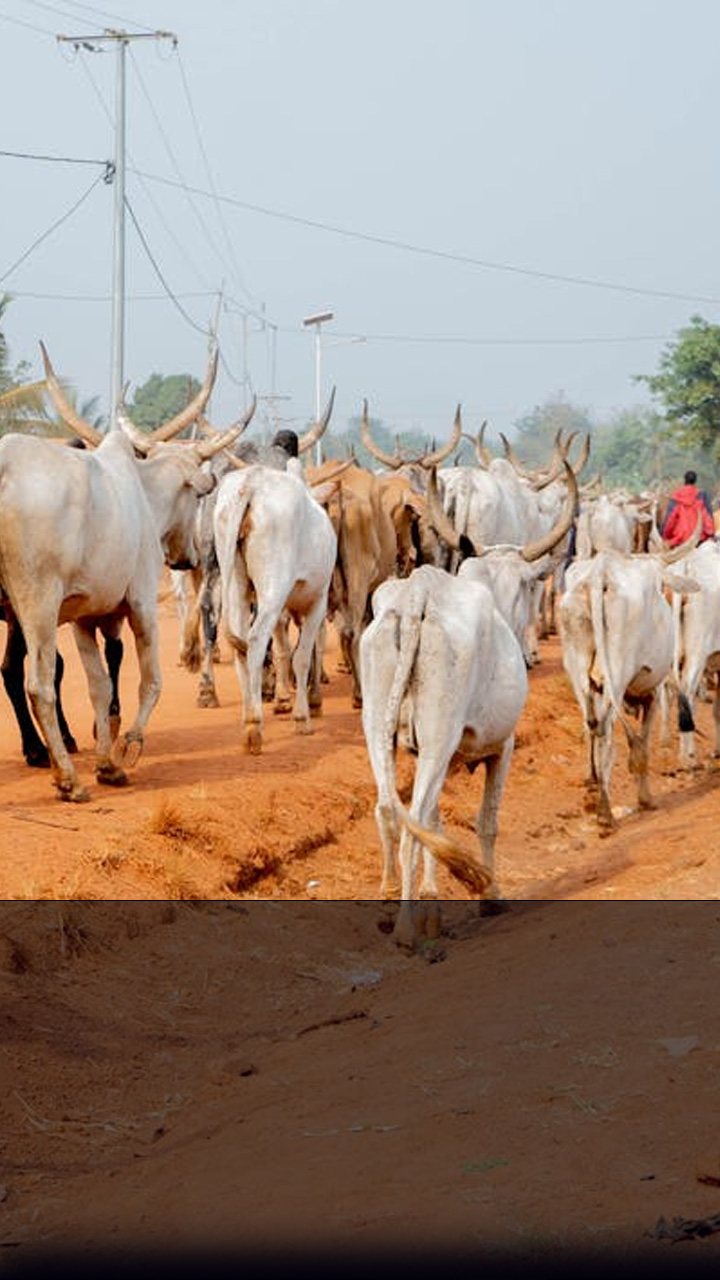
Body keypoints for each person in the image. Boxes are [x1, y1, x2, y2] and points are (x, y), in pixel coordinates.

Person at [661, 469, 715, 547]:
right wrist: (711, 534)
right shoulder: (702, 496)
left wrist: (665, 536)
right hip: (698, 539)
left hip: (680, 540)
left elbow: (670, 520)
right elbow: (707, 517)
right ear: (695, 481)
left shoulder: (676, 497)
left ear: (685, 480)